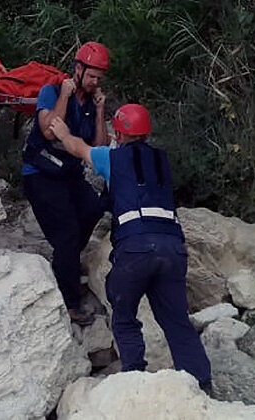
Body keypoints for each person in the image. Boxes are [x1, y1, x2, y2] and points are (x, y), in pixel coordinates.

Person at [49, 103, 213, 394]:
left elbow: (78, 149)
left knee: (124, 315)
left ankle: (135, 379)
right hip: (173, 248)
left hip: (136, 248)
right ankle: (202, 386)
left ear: (119, 134)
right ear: (146, 133)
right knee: (176, 321)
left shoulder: (112, 158)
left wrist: (62, 132)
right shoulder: (162, 162)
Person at [21, 41, 110, 325]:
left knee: (93, 209)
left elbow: (98, 147)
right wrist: (65, 95)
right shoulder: (52, 92)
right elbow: (49, 131)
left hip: (69, 174)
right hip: (41, 173)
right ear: (78, 69)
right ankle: (70, 302)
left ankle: (65, 260)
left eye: (99, 77)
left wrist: (99, 111)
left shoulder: (91, 103)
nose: (95, 82)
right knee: (67, 234)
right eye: (91, 76)